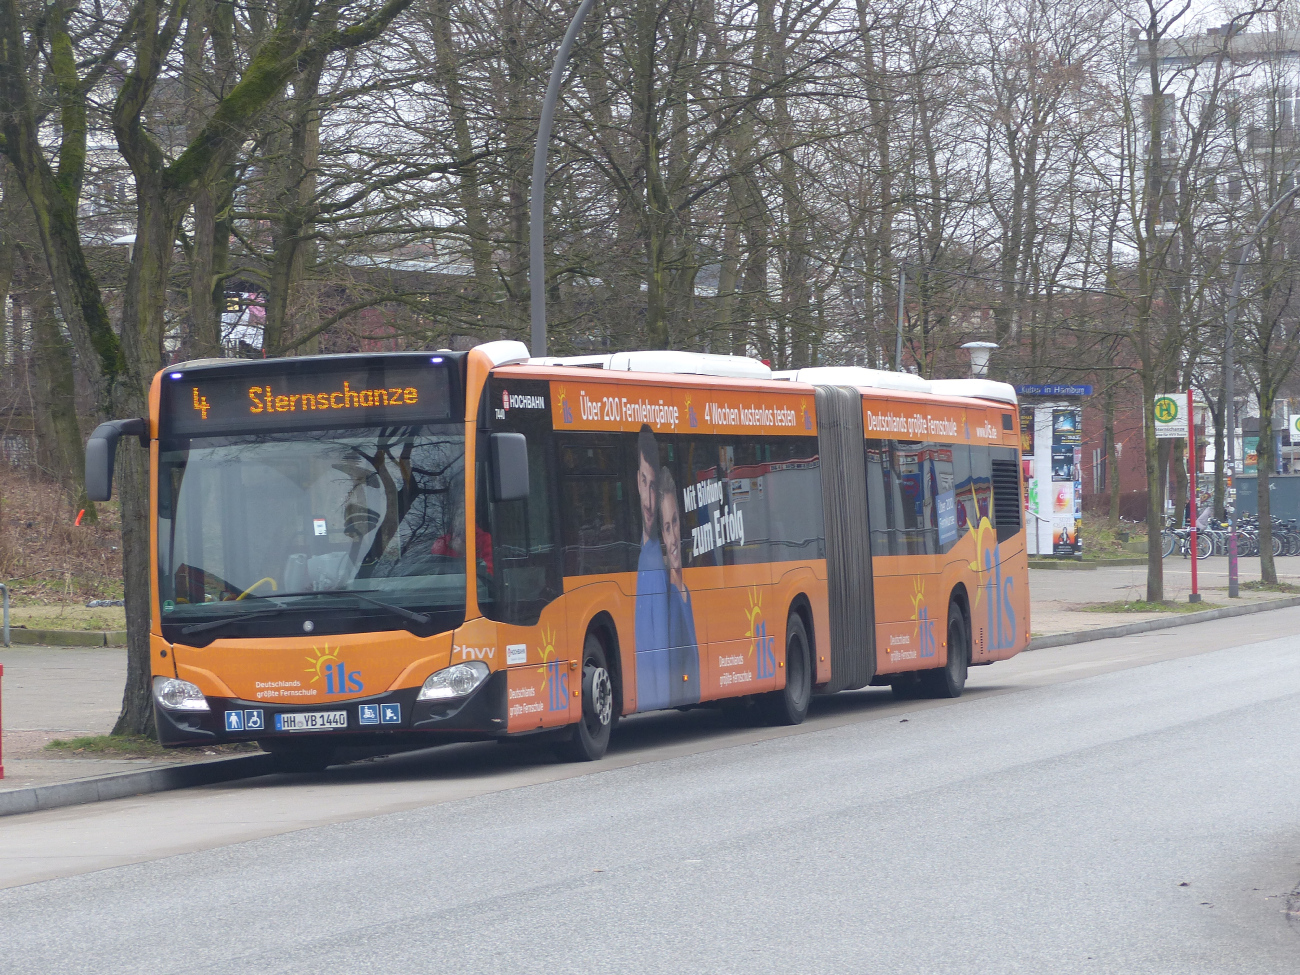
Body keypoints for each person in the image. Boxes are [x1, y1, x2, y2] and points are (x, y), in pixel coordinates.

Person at [634, 425, 670, 709]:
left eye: (653, 486)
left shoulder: (656, 560)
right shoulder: (638, 554)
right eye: (644, 482)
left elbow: (660, 653)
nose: (648, 499)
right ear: (637, 480)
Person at [659, 466, 700, 707]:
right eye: (666, 527)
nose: (673, 536)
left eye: (674, 522)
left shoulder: (687, 593)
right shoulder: (668, 598)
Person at [430, 498, 493, 574]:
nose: (461, 518)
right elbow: (434, 560)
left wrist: (467, 552)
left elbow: (490, 571)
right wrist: (449, 544)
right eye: (458, 514)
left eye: (464, 513)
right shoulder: (444, 541)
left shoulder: (485, 539)